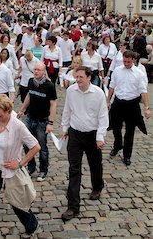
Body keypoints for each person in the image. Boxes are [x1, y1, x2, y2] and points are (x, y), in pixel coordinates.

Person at [0, 94, 40, 239]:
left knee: (16, 203)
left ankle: (31, 224)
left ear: (7, 111)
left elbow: (36, 146)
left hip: (10, 171)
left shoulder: (18, 126)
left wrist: (19, 163)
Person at [61, 66, 109, 222]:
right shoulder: (71, 91)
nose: (78, 79)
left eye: (81, 77)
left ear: (89, 78)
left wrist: (100, 136)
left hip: (92, 134)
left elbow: (103, 116)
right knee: (74, 169)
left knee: (95, 164)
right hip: (75, 133)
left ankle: (97, 186)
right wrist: (65, 128)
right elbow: (67, 110)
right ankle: (73, 207)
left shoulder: (98, 93)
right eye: (77, 76)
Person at [107, 50, 151, 166]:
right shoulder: (117, 71)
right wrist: (108, 101)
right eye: (124, 61)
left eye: (128, 62)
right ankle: (117, 145)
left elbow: (143, 91)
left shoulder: (139, 73)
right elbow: (112, 86)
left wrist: (147, 107)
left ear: (133, 60)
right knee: (115, 127)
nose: (125, 64)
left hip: (132, 104)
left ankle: (127, 155)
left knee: (130, 131)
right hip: (118, 102)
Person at [18, 62, 57, 182]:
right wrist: (22, 109)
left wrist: (51, 123)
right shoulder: (31, 81)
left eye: (38, 70)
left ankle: (43, 170)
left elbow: (53, 104)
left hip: (42, 120)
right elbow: (29, 96)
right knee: (26, 142)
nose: (35, 72)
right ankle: (31, 167)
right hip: (30, 117)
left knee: (42, 146)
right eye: (34, 69)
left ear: (44, 71)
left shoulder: (49, 85)